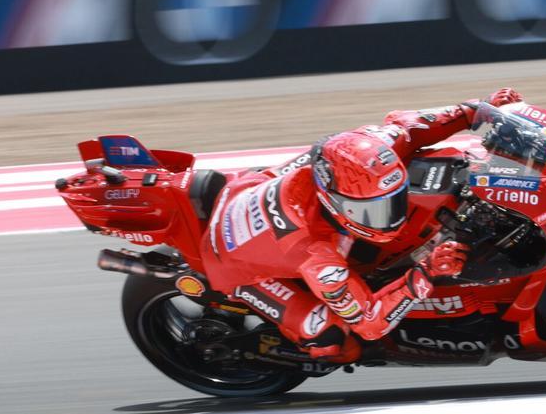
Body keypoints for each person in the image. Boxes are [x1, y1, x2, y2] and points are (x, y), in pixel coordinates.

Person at [198, 88, 524, 359]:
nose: (389, 218)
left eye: (393, 200)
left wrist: (483, 110)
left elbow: (418, 124)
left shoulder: (372, 150)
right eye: (371, 212)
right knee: (333, 338)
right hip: (238, 265)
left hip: (250, 189)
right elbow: (370, 322)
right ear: (333, 202)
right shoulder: (316, 254)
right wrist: (425, 273)